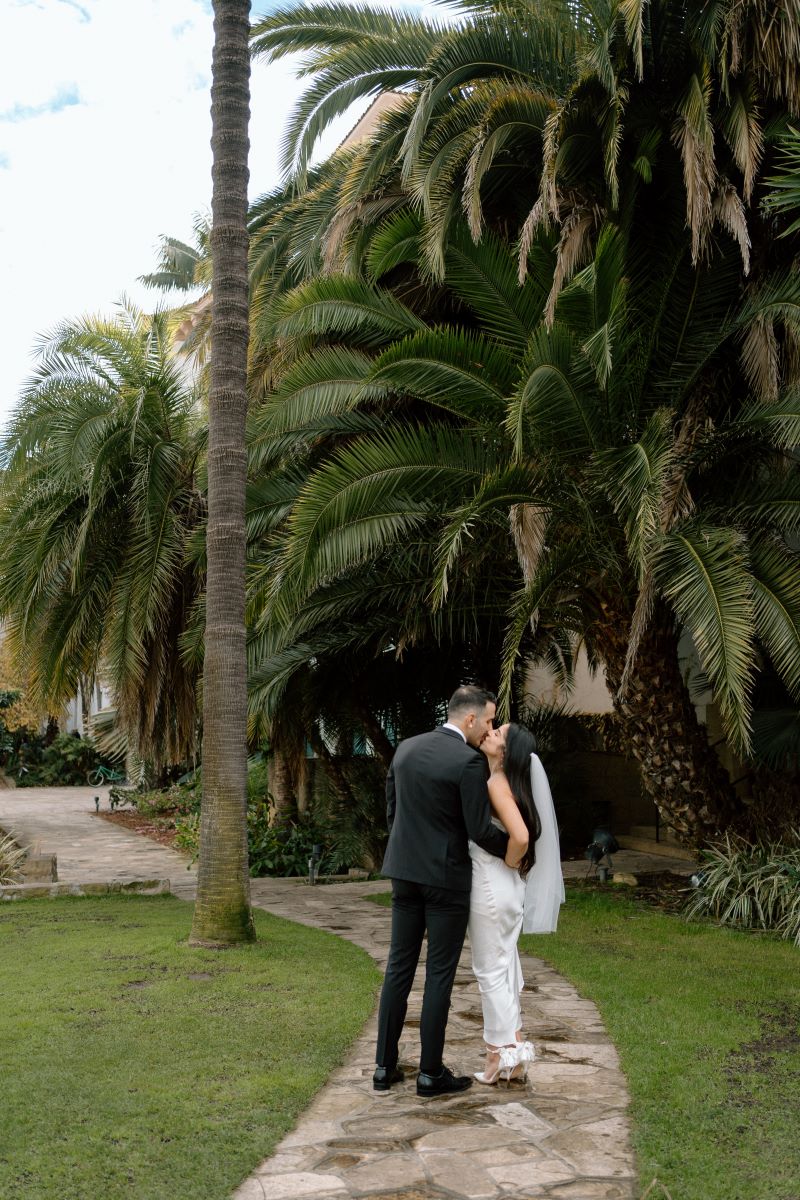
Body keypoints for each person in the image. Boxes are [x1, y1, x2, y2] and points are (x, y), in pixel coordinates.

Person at [373, 685, 510, 1097]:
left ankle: (384, 1068)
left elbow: (392, 812)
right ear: (469, 719)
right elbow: (481, 831)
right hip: (445, 880)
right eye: (488, 721)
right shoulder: (468, 762)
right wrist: (519, 851)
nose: (489, 730)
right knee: (438, 976)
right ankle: (430, 1073)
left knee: (398, 967)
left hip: (403, 872)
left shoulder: (406, 749)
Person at [468, 722, 565, 1085]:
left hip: (492, 885)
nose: (489, 732)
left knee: (490, 971)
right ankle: (516, 1048)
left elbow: (520, 836)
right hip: (506, 888)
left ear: (505, 752)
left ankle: (498, 1056)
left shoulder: (496, 784)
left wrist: (509, 860)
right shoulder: (509, 784)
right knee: (504, 968)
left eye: (498, 733)